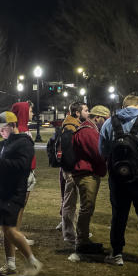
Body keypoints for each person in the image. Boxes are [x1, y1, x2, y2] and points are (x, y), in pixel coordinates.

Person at [99, 93, 138, 266]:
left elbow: (102, 150)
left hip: (118, 175)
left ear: (123, 105)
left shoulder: (109, 122)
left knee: (119, 214)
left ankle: (117, 253)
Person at [0, 111, 42, 276]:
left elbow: (21, 166)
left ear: (13, 126)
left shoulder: (24, 143)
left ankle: (32, 261)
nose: (1, 132)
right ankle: (10, 264)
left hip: (14, 191)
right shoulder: (1, 145)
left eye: (3, 128)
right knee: (6, 229)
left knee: (10, 228)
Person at [67, 105, 109, 261]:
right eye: (104, 120)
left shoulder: (86, 129)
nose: (105, 123)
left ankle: (83, 239)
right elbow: (98, 154)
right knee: (87, 207)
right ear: (97, 117)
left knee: (87, 207)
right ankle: (82, 241)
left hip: (85, 173)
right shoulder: (88, 131)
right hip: (86, 174)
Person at [56, 102, 85, 244]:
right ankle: (69, 234)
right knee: (70, 202)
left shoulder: (72, 124)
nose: (88, 112)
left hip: (68, 168)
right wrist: (72, 169)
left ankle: (71, 231)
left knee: (70, 201)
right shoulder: (70, 127)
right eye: (86, 110)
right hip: (70, 169)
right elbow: (68, 152)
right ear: (77, 113)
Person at [10, 100, 37, 244]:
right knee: (17, 207)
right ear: (24, 112)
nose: (32, 113)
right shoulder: (17, 130)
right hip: (22, 174)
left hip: (28, 172)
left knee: (21, 207)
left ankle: (17, 234)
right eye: (31, 111)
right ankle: (14, 237)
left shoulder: (24, 128)